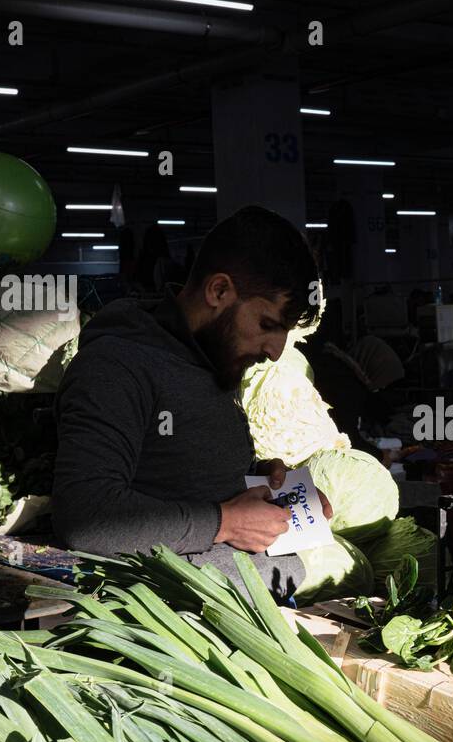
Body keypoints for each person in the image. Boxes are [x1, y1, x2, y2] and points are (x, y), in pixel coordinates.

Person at [52, 205, 334, 599]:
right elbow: (87, 516)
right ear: (218, 291)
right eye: (268, 325)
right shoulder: (116, 366)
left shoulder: (210, 355)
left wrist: (265, 480)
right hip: (170, 624)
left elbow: (171, 470)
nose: (275, 350)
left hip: (251, 595)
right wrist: (226, 522)